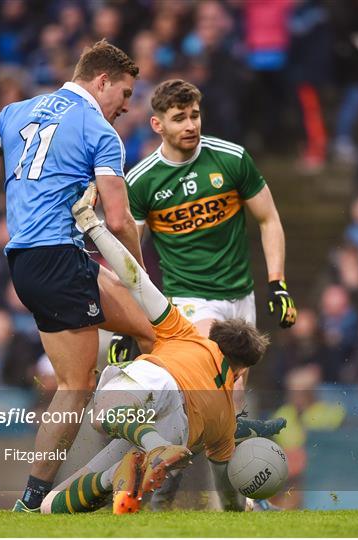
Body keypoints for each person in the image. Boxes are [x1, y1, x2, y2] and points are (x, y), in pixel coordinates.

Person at [0, 39, 156, 513]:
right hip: (60, 258)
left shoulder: (17, 110)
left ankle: (117, 467)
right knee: (118, 356)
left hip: (27, 262)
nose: (126, 106)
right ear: (101, 81)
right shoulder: (98, 130)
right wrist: (144, 282)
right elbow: (120, 221)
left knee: (102, 361)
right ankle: (135, 466)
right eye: (123, 93)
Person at [40, 183, 286, 515]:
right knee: (52, 506)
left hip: (158, 384)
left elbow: (136, 280)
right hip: (178, 431)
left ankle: (149, 450)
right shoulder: (226, 417)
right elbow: (225, 484)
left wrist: (92, 226)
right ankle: (128, 466)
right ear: (240, 370)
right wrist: (243, 508)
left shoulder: (185, 334)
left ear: (215, 340)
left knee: (102, 415)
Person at [110, 78, 297, 510]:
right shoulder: (142, 181)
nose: (190, 124)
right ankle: (183, 497)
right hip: (189, 300)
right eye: (179, 118)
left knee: (230, 398)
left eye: (194, 114)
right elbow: (129, 260)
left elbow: (269, 219)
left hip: (240, 295)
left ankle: (219, 501)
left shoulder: (230, 160)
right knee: (212, 385)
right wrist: (129, 323)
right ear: (157, 124)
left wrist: (278, 282)